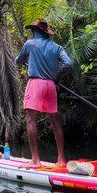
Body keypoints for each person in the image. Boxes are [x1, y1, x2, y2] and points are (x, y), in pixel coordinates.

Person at [15, 19, 72, 168]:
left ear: (36, 31)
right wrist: (57, 78)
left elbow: (17, 61)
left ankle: (35, 160)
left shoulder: (30, 44)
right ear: (45, 32)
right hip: (51, 85)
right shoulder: (57, 47)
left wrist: (21, 59)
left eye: (33, 30)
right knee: (54, 121)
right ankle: (61, 160)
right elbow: (68, 63)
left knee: (30, 120)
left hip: (35, 84)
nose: (32, 33)